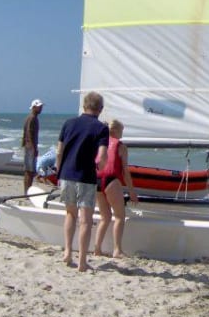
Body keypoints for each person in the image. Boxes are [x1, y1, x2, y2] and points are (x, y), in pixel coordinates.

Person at [56, 91, 109, 272]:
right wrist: (100, 168)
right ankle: (82, 261)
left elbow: (59, 151)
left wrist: (58, 170)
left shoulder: (69, 123)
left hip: (66, 175)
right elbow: (102, 156)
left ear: (84, 106)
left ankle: (68, 252)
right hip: (86, 177)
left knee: (70, 214)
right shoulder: (101, 128)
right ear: (100, 109)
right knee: (85, 220)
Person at [93, 119, 138, 258]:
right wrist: (131, 192)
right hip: (111, 180)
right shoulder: (121, 146)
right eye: (121, 131)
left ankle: (97, 249)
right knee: (119, 216)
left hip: (98, 181)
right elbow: (125, 171)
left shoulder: (100, 143)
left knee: (105, 217)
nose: (122, 135)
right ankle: (117, 250)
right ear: (116, 131)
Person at [21, 99, 43, 193]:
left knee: (29, 171)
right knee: (29, 171)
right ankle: (27, 191)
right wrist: (34, 148)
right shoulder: (32, 118)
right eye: (39, 107)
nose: (41, 109)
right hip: (30, 147)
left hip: (29, 146)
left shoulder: (32, 118)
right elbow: (29, 134)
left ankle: (27, 191)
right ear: (34, 107)